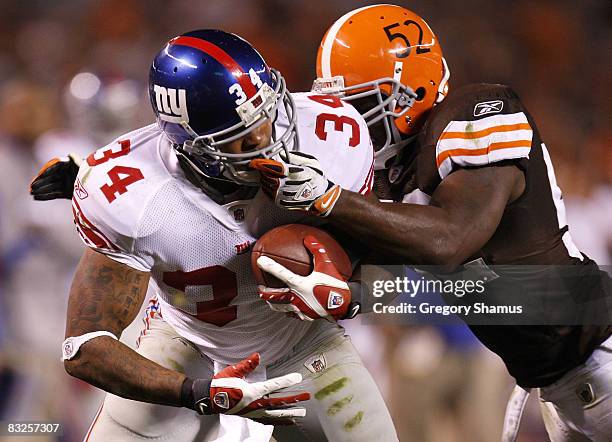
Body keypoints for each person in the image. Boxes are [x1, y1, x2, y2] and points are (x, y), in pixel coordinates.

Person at [248, 5, 612, 442]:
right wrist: (347, 293)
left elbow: (449, 240)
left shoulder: (476, 111)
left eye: (362, 105)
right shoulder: (394, 173)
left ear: (411, 90)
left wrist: (329, 199)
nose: (351, 123)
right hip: (559, 384)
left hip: (599, 354)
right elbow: (433, 281)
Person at [31, 29, 398, 441]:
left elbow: (388, 272)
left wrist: (348, 294)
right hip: (186, 348)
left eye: (268, 114)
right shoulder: (129, 194)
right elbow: (83, 349)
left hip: (307, 347)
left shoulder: (329, 133)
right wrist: (197, 393)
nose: (267, 139)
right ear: (194, 146)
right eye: (241, 136)